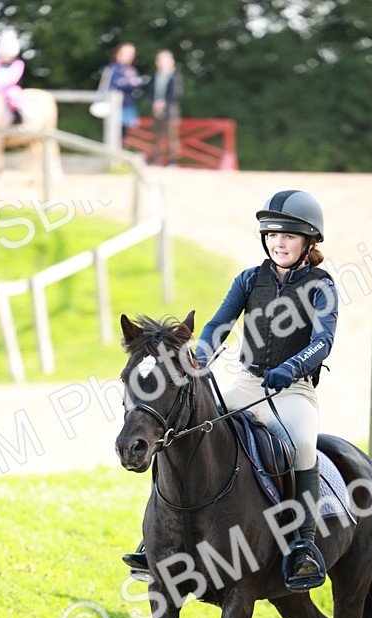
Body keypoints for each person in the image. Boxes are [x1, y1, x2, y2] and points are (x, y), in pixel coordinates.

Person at [123, 190, 338, 591]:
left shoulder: (320, 286)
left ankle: (302, 545)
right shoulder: (249, 279)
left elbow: (323, 341)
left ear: (309, 241)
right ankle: (153, 541)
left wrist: (291, 367)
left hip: (293, 392)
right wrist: (198, 359)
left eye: (288, 236)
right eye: (272, 235)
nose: (279, 243)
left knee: (304, 446)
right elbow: (218, 325)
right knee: (185, 430)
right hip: (247, 384)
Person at [99, 42, 143, 135]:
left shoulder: (131, 70)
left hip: (128, 105)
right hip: (116, 106)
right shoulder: (113, 69)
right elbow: (115, 84)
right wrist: (130, 83)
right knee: (115, 133)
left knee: (125, 133)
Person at [148, 49, 183, 166]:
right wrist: (155, 103)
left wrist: (164, 103)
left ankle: (173, 161)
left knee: (171, 136)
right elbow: (150, 92)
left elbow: (176, 94)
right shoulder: (154, 76)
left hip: (170, 110)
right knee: (156, 136)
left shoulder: (175, 76)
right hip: (155, 110)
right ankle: (155, 160)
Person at [0, 28, 25, 124]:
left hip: (10, 88)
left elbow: (13, 78)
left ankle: (18, 119)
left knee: (13, 98)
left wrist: (1, 86)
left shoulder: (17, 63)